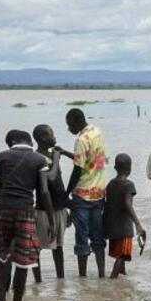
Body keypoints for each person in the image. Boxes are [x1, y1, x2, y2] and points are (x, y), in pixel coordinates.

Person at [0, 130, 54, 301]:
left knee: (1, 255)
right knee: (23, 260)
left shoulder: (2, 157)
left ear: (12, 142)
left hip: (3, 209)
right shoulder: (38, 160)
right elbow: (43, 191)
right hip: (25, 211)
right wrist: (50, 220)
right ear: (28, 141)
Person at [65, 108, 107, 278]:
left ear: (76, 121)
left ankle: (82, 277)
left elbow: (77, 170)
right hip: (99, 193)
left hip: (82, 195)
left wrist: (66, 192)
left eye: (69, 125)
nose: (69, 129)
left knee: (81, 236)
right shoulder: (97, 132)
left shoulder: (81, 140)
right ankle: (101, 274)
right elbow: (90, 160)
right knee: (98, 236)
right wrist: (65, 152)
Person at [32, 125, 70, 280]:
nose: (54, 137)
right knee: (38, 248)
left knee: (58, 247)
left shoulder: (50, 155)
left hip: (59, 208)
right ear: (42, 138)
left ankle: (60, 281)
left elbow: (59, 185)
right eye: (50, 134)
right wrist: (55, 159)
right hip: (44, 210)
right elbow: (50, 180)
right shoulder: (39, 158)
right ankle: (38, 281)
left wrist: (67, 208)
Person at [104, 154, 144, 278]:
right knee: (123, 255)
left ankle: (122, 275)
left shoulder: (110, 184)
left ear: (115, 167)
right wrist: (137, 223)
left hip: (111, 226)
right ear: (130, 169)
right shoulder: (128, 185)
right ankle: (113, 278)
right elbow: (128, 204)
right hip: (124, 227)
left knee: (120, 253)